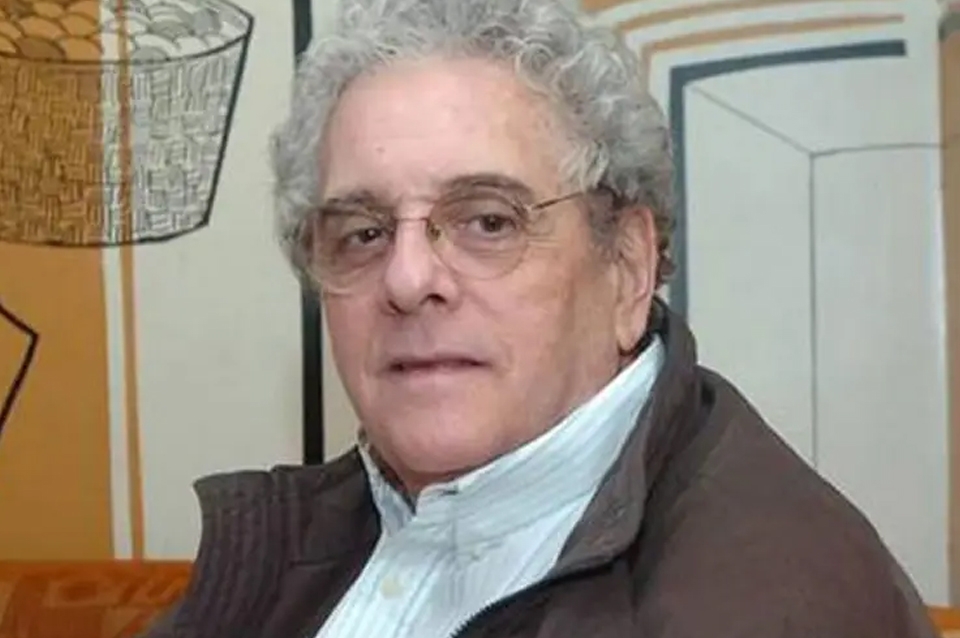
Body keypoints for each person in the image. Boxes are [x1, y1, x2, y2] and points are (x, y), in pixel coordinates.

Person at [142, 0, 941, 636]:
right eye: (364, 232)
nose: (408, 279)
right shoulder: (314, 532)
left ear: (627, 267)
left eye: (489, 221)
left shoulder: (763, 604)